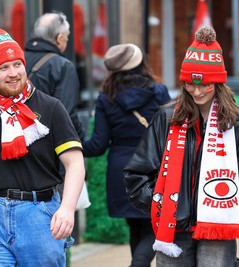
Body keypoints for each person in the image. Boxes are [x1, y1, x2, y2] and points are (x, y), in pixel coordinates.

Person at [124, 26, 239, 267]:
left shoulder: (235, 124)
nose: (197, 91)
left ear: (218, 83)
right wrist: (160, 204)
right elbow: (136, 174)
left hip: (218, 233)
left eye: (205, 85)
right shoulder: (166, 120)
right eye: (190, 84)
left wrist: (229, 206)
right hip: (172, 231)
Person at [0, 19, 85, 267]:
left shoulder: (51, 107)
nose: (14, 73)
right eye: (3, 67)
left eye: (17, 64)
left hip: (40, 215)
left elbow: (75, 163)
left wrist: (67, 208)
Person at [83, 43, 171, 267]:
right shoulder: (159, 92)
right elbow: (172, 133)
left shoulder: (106, 98)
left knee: (135, 225)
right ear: (141, 64)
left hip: (121, 169)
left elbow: (97, 145)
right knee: (156, 226)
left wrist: (71, 143)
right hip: (154, 165)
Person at [24, 11, 85, 141]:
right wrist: (81, 140)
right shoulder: (63, 66)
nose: (66, 42)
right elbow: (66, 114)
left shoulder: (16, 61)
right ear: (59, 38)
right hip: (47, 144)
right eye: (66, 38)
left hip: (15, 137)